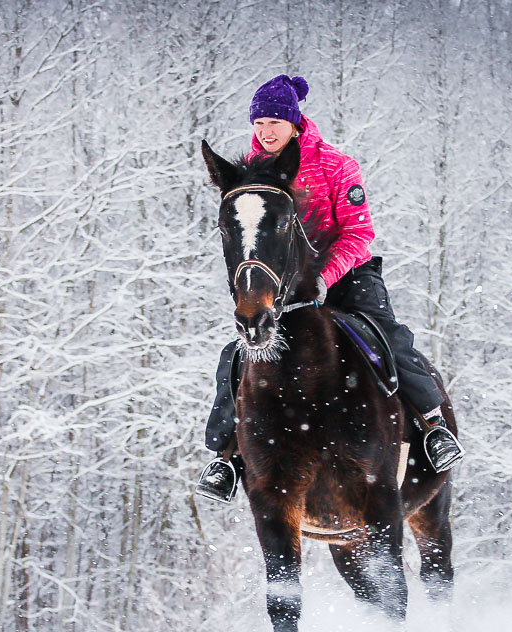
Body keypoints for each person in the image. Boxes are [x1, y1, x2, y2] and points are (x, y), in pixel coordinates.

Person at [196, 74, 464, 503]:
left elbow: (359, 233)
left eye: (275, 123)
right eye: (259, 123)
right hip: (287, 289)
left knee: (390, 337)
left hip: (348, 275)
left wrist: (325, 277)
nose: (266, 132)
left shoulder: (338, 166)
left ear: (295, 122)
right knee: (237, 353)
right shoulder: (252, 174)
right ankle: (226, 456)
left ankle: (433, 426)